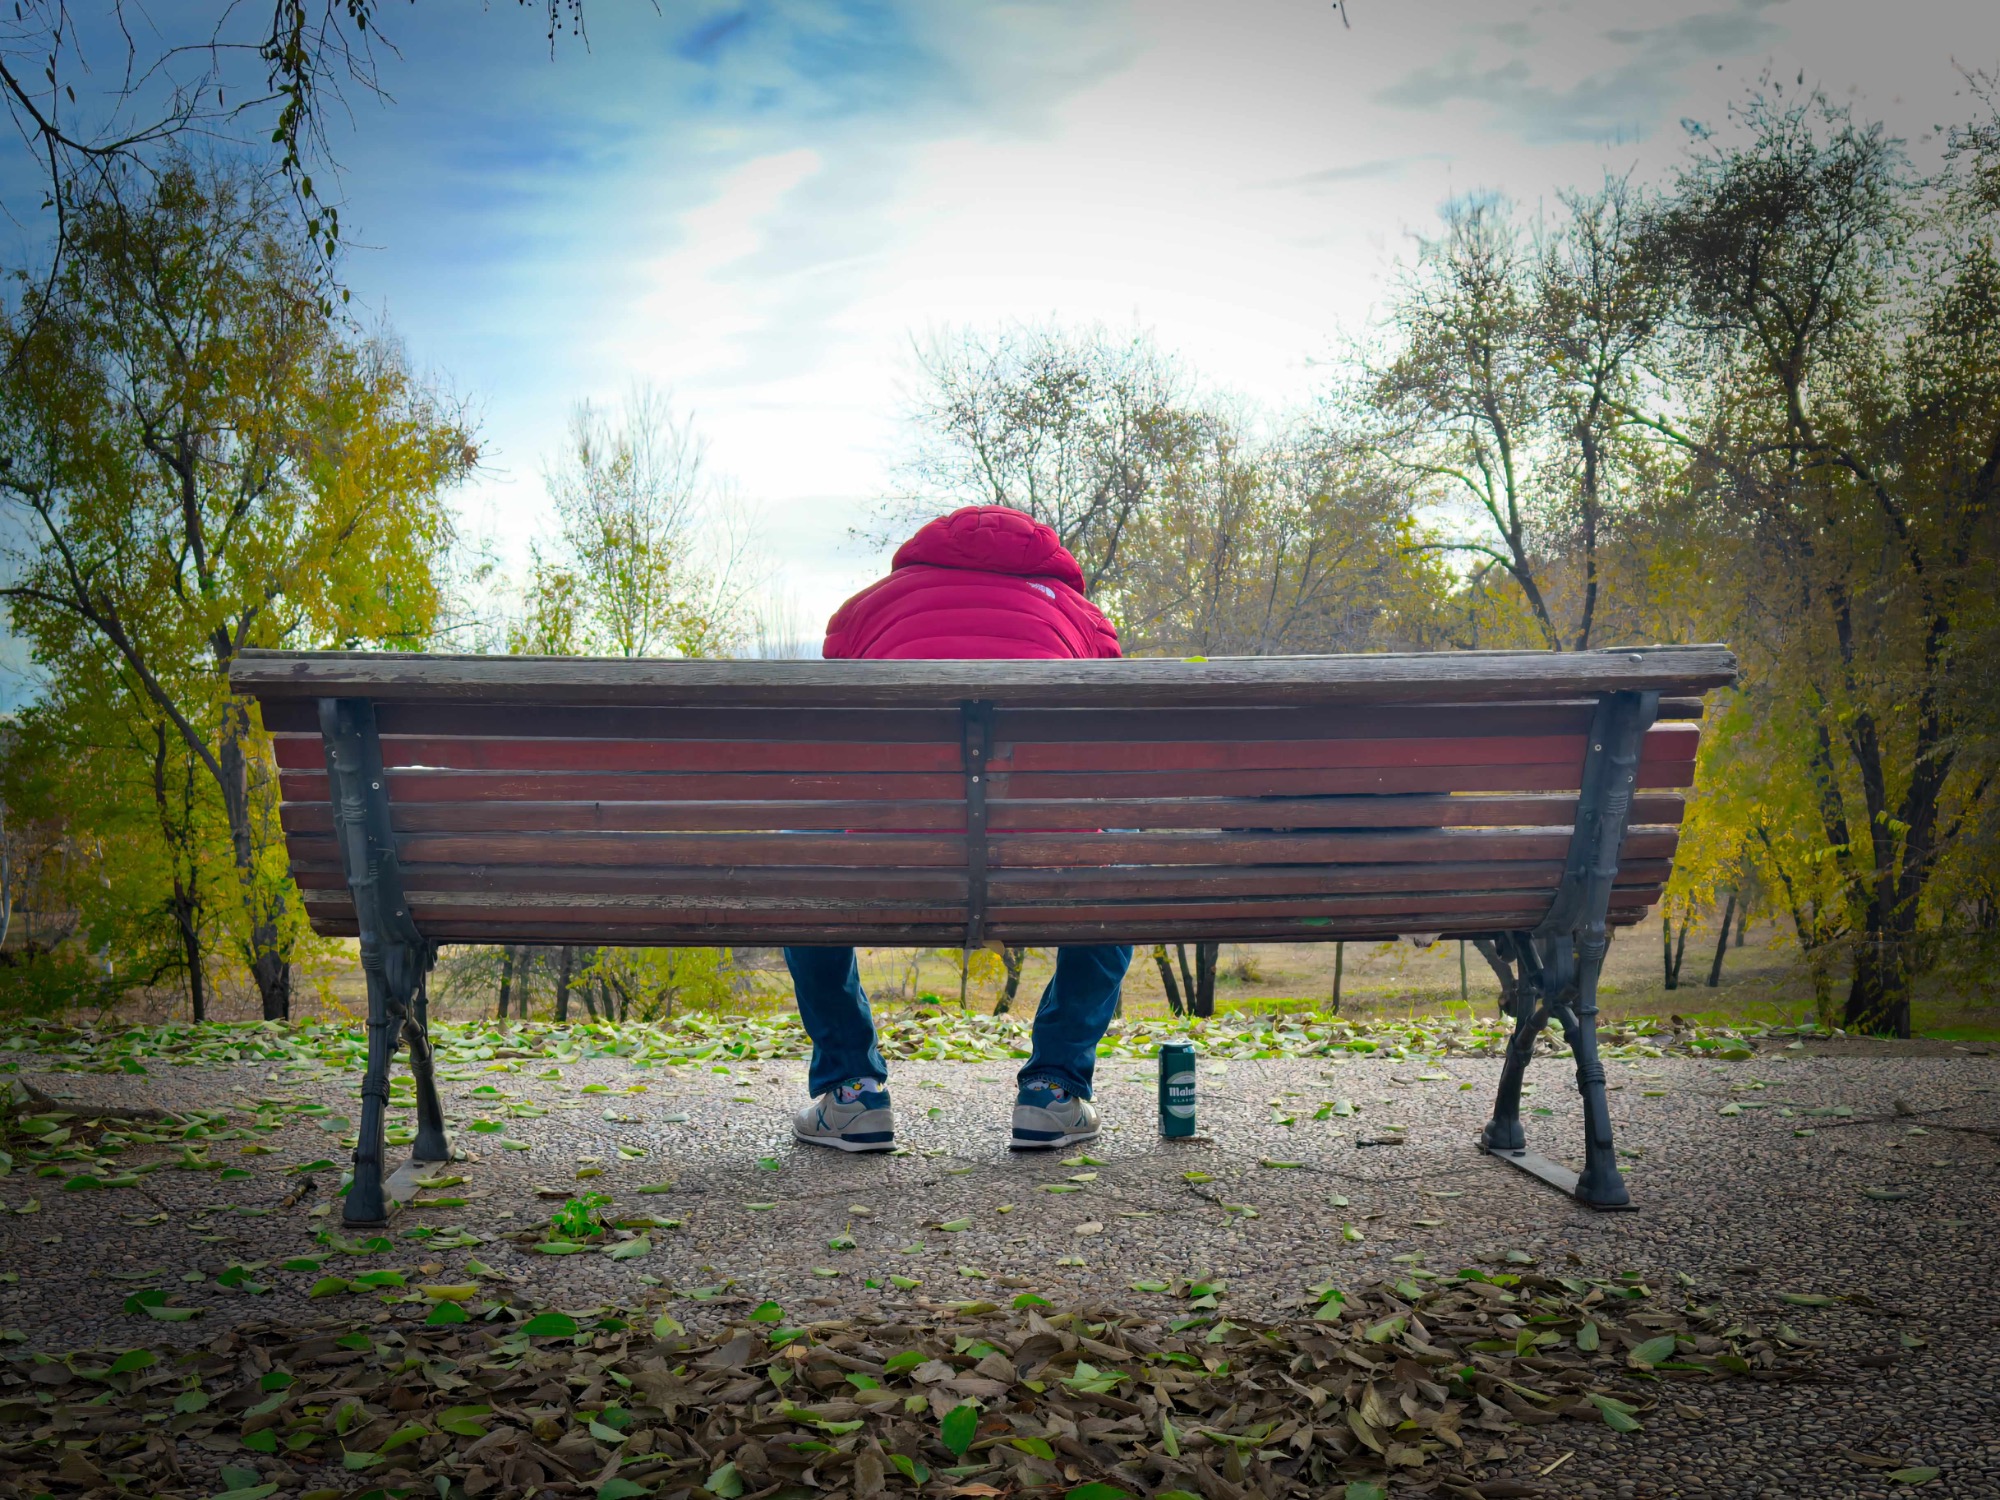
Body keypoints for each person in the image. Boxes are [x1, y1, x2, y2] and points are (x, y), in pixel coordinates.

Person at [787, 504, 1133, 1154]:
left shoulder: (866, 609)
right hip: (1039, 864)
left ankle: (851, 1092)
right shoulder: (1081, 617)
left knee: (797, 861)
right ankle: (1054, 1091)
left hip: (892, 862)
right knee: (1116, 869)